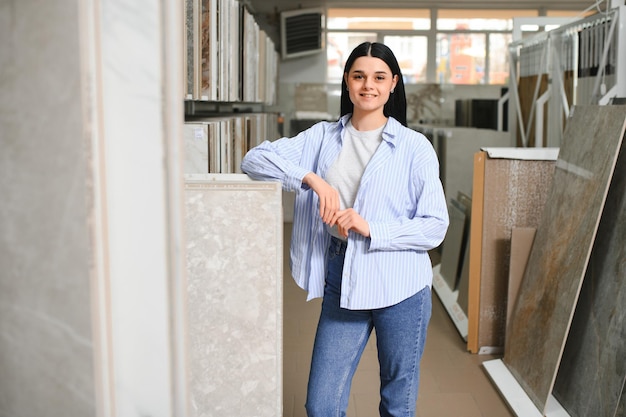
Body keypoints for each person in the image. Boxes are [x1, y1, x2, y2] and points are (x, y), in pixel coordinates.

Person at [241, 42, 449, 417]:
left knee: (397, 404)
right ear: (347, 82)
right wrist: (311, 179)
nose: (368, 85)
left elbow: (435, 226)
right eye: (359, 76)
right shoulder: (322, 137)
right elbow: (253, 160)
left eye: (378, 77)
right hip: (344, 275)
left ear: (393, 84)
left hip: (401, 282)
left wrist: (371, 227)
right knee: (321, 404)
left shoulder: (415, 148)